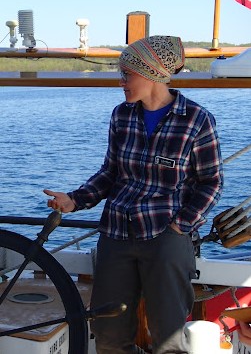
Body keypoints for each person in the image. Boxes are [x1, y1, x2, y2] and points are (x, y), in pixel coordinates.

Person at [44, 35, 224, 354]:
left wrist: (180, 226)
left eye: (126, 74)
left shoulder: (197, 120)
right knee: (108, 332)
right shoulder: (121, 116)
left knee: (168, 339)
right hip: (116, 234)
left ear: (151, 73)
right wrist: (75, 199)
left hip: (166, 237)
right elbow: (110, 173)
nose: (121, 81)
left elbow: (211, 182)